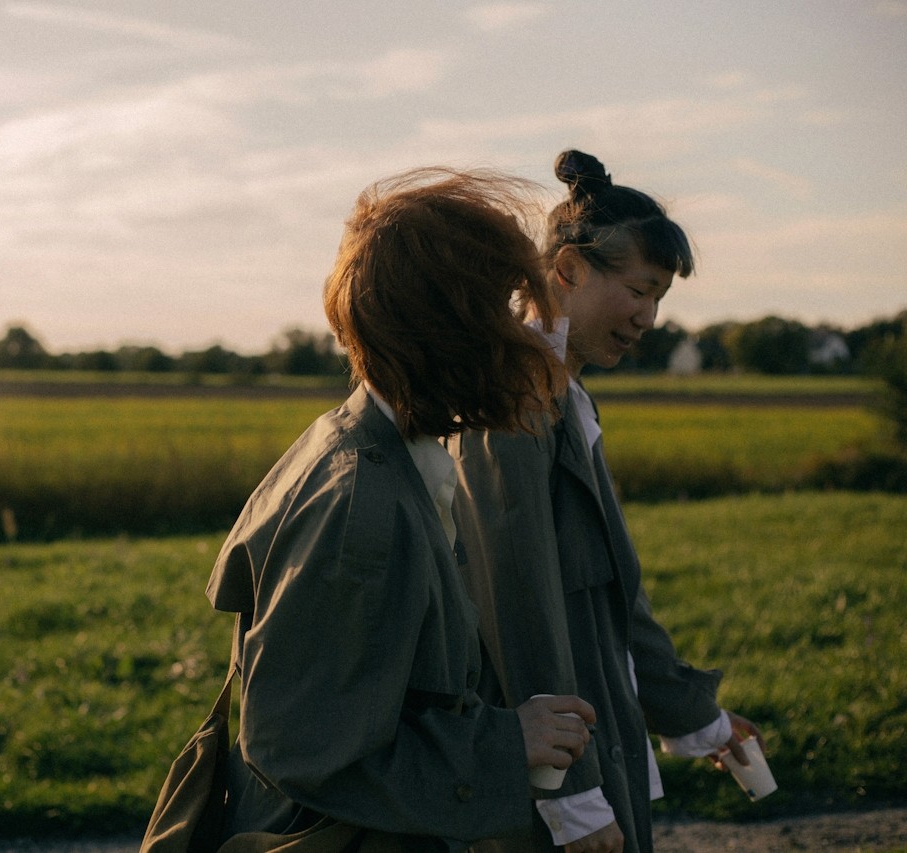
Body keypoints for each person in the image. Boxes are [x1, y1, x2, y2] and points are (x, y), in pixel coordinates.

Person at [205, 167, 597, 851]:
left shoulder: (366, 445)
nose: (532, 338)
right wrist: (507, 742)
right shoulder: (362, 510)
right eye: (506, 311)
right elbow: (298, 746)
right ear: (450, 331)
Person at [449, 150, 764, 853]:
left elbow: (612, 604)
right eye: (640, 290)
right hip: (549, 785)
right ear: (568, 270)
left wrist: (700, 720)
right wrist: (570, 798)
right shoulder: (513, 402)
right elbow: (516, 607)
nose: (649, 317)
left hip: (594, 746)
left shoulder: (566, 397)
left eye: (660, 299)